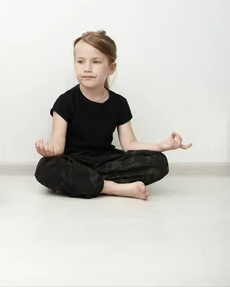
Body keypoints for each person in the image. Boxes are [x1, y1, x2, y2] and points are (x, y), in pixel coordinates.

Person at [34, 30, 192, 200]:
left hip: (107, 162)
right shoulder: (65, 102)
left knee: (159, 161)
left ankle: (88, 182)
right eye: (80, 62)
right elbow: (58, 146)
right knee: (46, 167)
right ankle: (112, 187)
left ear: (111, 67)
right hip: (74, 162)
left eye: (96, 62)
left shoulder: (119, 103)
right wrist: (49, 150)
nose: (87, 68)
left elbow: (130, 144)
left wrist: (161, 146)